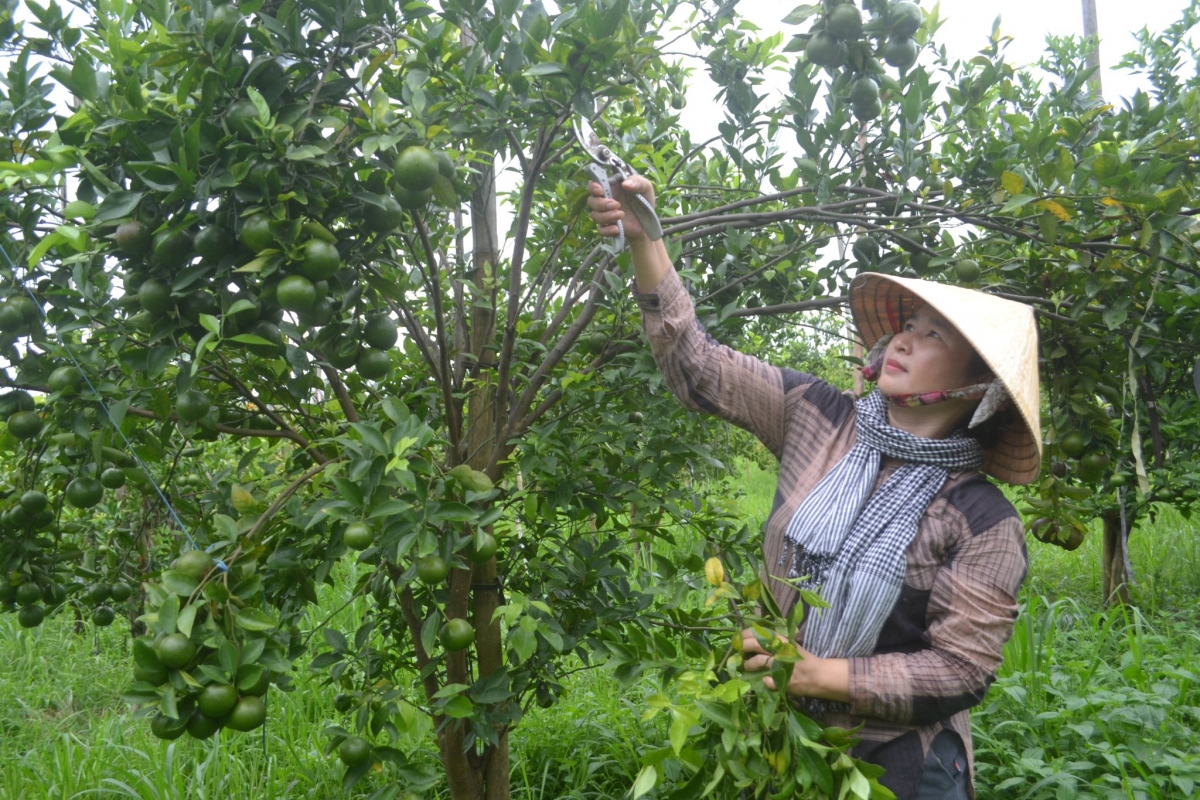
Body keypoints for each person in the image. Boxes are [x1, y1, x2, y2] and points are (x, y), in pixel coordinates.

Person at [587, 175, 1042, 800]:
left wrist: (813, 674)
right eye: (908, 323)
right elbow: (697, 367)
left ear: (980, 386)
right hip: (779, 740)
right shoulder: (819, 415)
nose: (904, 338)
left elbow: (959, 670)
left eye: (934, 334)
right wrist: (646, 238)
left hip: (901, 765)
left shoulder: (984, 520)